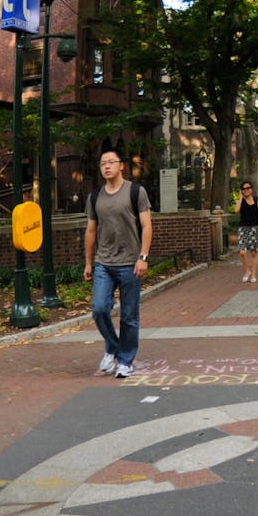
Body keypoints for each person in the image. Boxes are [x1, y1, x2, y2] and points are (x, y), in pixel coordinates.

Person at [86, 148, 154, 378]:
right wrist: (88, 263)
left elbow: (146, 226)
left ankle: (125, 360)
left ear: (121, 166)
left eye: (111, 162)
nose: (106, 166)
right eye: (102, 163)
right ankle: (113, 347)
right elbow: (91, 230)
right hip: (103, 262)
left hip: (130, 263)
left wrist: (143, 257)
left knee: (129, 316)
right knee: (99, 308)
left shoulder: (135, 191)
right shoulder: (95, 196)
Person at [237, 181, 258, 283]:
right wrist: (241, 197)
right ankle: (247, 271)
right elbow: (236, 210)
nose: (246, 190)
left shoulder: (257, 200)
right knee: (242, 252)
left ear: (251, 189)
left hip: (254, 228)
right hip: (243, 228)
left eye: (248, 188)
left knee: (254, 253)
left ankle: (253, 274)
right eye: (244, 189)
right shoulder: (241, 201)